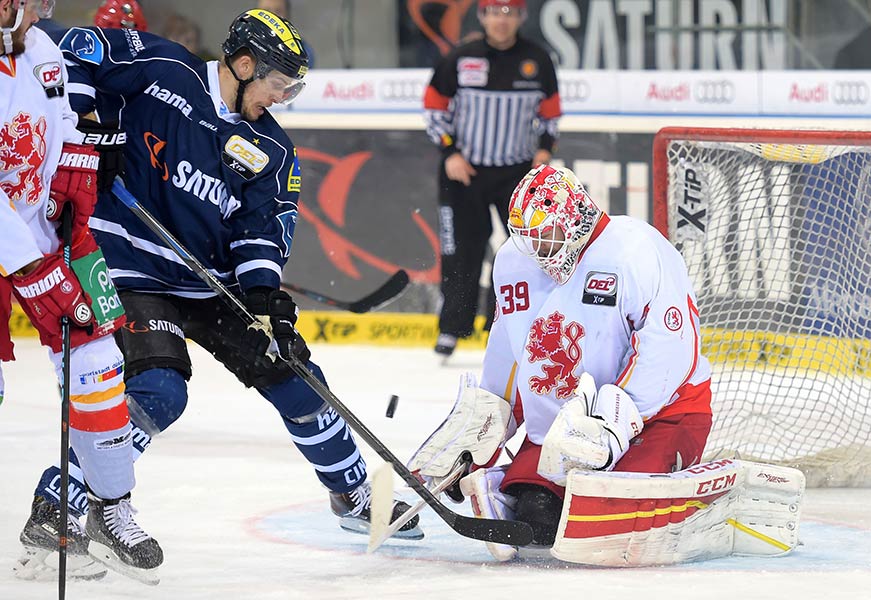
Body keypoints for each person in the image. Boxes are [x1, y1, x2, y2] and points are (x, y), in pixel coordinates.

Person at [24, 8, 422, 570]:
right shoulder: (166, 68)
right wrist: (85, 124)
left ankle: (353, 493)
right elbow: (72, 51)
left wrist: (264, 297)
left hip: (209, 282)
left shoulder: (272, 149)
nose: (282, 97)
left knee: (298, 379)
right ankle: (62, 501)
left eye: (291, 87)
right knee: (159, 390)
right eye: (279, 82)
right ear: (242, 64)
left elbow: (262, 231)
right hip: (127, 262)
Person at [409, 165, 713, 559]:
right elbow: (509, 353)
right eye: (530, 240)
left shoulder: (635, 250)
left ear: (576, 219)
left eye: (547, 237)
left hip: (661, 415)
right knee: (537, 514)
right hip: (562, 430)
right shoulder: (514, 263)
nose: (539, 251)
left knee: (607, 506)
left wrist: (613, 422)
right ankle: (500, 484)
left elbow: (671, 349)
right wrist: (481, 428)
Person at [1, 0, 162, 582]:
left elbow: (66, 128)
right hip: (12, 245)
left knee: (100, 362)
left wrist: (75, 184)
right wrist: (30, 267)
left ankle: (109, 510)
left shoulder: (44, 52)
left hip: (49, 231)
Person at [424, 0, 561, 358]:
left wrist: (544, 153)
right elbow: (433, 109)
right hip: (463, 172)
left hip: (516, 175)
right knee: (460, 252)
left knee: (524, 252)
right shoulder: (460, 57)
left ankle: (505, 326)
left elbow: (550, 115)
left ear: (521, 18)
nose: (502, 20)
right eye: (494, 12)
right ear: (482, 16)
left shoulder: (538, 59)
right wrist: (449, 152)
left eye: (510, 13)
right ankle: (452, 328)